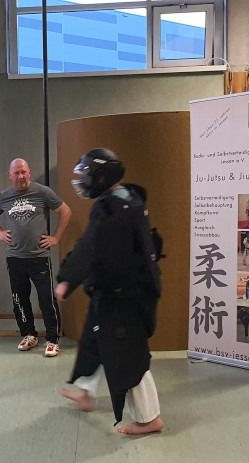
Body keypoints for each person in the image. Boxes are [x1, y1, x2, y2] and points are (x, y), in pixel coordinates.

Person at [56, 148, 164, 436]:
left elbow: (90, 245)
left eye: (88, 176)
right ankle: (86, 392)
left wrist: (67, 280)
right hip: (118, 291)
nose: (83, 182)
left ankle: (149, 419)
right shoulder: (127, 198)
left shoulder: (112, 209)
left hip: (126, 297)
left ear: (102, 177)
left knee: (129, 356)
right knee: (94, 339)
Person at [0, 158, 71, 357]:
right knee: (20, 299)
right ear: (10, 175)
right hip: (15, 258)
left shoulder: (42, 192)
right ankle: (28, 334)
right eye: (16, 172)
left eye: (23, 172)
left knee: (46, 299)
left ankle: (52, 339)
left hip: (38, 257)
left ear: (29, 173)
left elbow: (65, 211)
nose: (21, 176)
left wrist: (56, 237)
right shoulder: (4, 196)